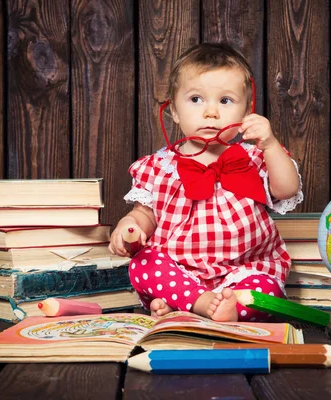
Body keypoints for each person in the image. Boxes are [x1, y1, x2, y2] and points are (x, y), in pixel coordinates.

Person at [108, 42, 303, 322]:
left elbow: (288, 189)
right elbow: (145, 213)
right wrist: (131, 226)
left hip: (244, 269)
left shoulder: (255, 157)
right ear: (174, 110)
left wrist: (270, 144)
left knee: (266, 292)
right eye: (196, 100)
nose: (211, 112)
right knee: (144, 265)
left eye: (225, 101)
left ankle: (200, 308)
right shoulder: (160, 166)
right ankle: (200, 302)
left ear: (246, 112)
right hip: (181, 271)